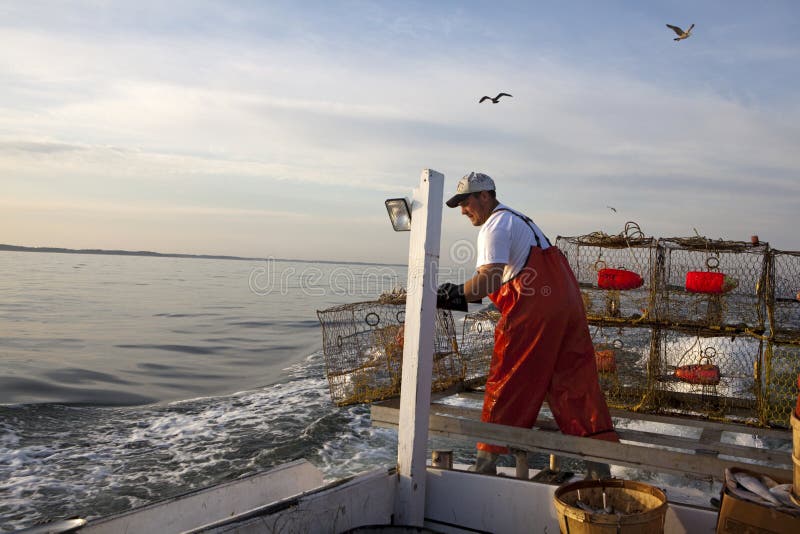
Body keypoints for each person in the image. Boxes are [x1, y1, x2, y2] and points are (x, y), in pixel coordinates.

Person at [438, 172, 620, 477]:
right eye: (458, 204)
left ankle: (484, 468)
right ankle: (599, 472)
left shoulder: (494, 225)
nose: (463, 210)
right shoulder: (523, 221)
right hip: (569, 306)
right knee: (576, 383)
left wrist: (453, 295)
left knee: (507, 377)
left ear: (485, 196)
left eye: (466, 202)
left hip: (536, 307)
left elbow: (491, 279)